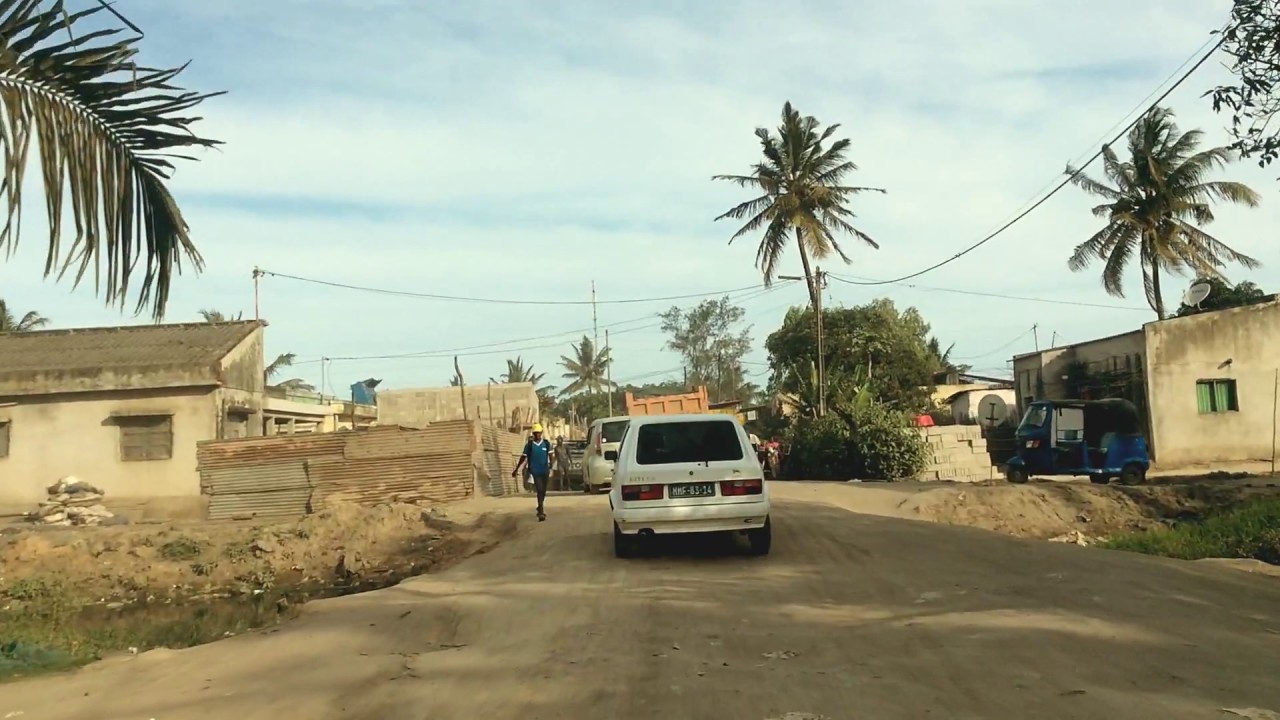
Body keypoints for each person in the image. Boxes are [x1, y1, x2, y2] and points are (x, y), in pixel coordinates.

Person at [512, 423, 553, 521]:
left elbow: (551, 456)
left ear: (541, 433)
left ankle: (540, 505)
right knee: (539, 489)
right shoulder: (529, 445)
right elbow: (523, 457)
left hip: (545, 470)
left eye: (538, 433)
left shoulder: (546, 444)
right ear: (533, 434)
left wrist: (551, 467)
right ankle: (541, 511)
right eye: (535, 433)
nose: (537, 435)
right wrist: (517, 469)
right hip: (535, 471)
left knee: (543, 491)